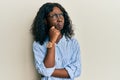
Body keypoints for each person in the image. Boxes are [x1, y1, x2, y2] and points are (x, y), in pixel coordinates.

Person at [31, 2, 81, 80]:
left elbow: (77, 70)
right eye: (54, 16)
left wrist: (46, 71)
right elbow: (46, 68)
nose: (59, 19)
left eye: (61, 15)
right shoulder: (38, 44)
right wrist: (52, 40)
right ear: (45, 20)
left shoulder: (72, 43)